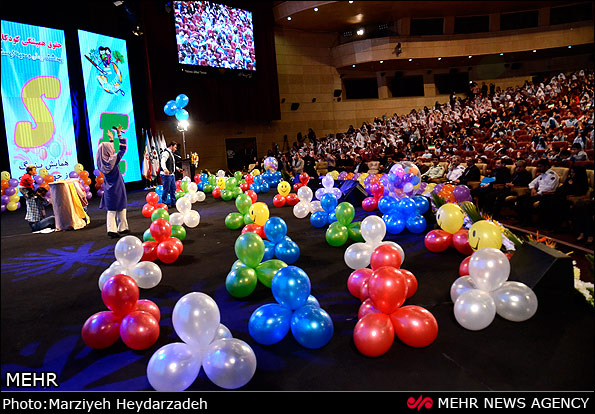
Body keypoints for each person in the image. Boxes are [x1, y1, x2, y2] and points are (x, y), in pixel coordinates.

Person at [96, 125, 129, 238]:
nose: (113, 149)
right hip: (118, 187)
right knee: (121, 207)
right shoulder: (114, 160)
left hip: (109, 189)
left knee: (111, 210)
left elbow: (110, 150)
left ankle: (112, 229)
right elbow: (122, 148)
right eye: (111, 148)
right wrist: (119, 135)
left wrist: (111, 139)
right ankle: (122, 227)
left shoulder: (101, 162)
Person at [515, 159, 560, 226]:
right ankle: (521, 220)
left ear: (546, 166)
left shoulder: (552, 175)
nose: (539, 168)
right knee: (520, 199)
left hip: (546, 195)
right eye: (538, 166)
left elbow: (550, 188)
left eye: (540, 166)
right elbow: (531, 183)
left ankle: (528, 221)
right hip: (537, 194)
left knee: (527, 201)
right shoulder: (541, 175)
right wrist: (533, 189)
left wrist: (537, 193)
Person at [161, 140, 182, 208]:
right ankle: (163, 203)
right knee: (166, 189)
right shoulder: (166, 153)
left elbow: (172, 164)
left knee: (173, 189)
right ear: (171, 146)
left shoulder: (171, 153)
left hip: (171, 174)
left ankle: (173, 202)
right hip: (166, 175)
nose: (175, 149)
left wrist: (177, 169)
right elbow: (162, 161)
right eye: (175, 147)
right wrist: (165, 169)